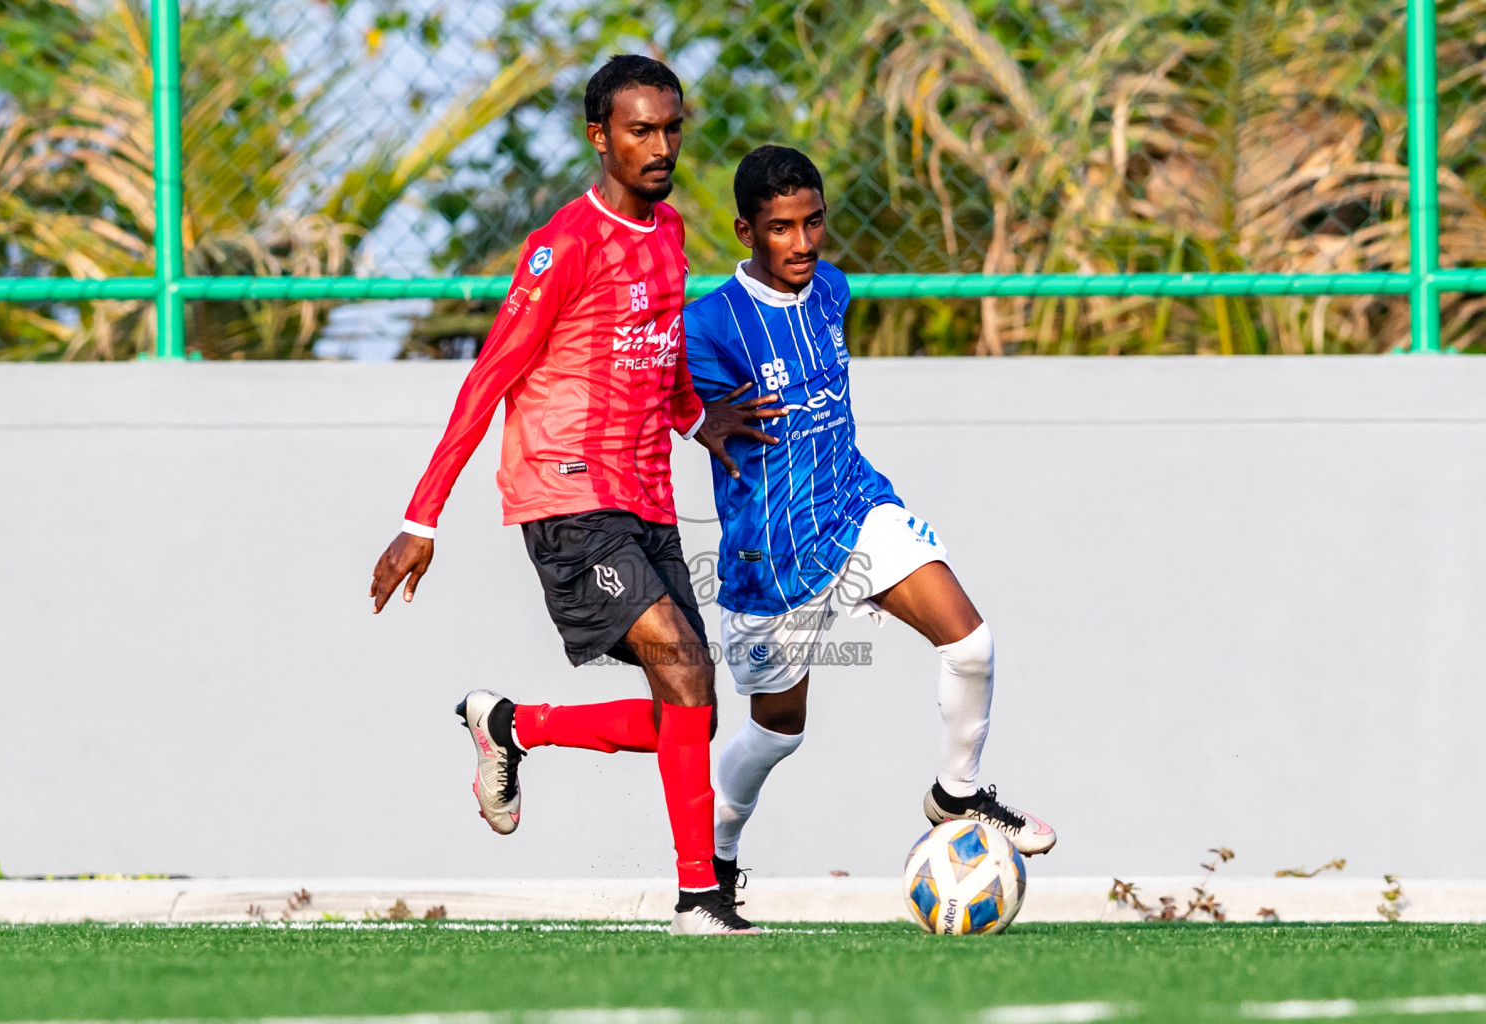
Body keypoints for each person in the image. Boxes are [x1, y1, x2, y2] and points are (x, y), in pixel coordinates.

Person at [368, 57, 784, 936]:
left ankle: (514, 727)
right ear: (601, 137)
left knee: (693, 708)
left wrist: (697, 420)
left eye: (673, 128)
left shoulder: (668, 231)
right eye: (642, 130)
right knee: (682, 665)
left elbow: (661, 350)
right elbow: (490, 376)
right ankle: (699, 899)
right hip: (563, 491)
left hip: (646, 496)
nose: (662, 146)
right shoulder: (566, 244)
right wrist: (421, 516)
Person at [682, 145, 1057, 898]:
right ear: (745, 232)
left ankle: (956, 793)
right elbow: (642, 384)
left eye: (813, 222)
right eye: (781, 228)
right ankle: (713, 854)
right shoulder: (711, 323)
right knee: (778, 732)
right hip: (773, 550)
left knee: (971, 642)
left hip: (856, 505)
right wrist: (697, 417)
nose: (803, 243)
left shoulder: (834, 290)